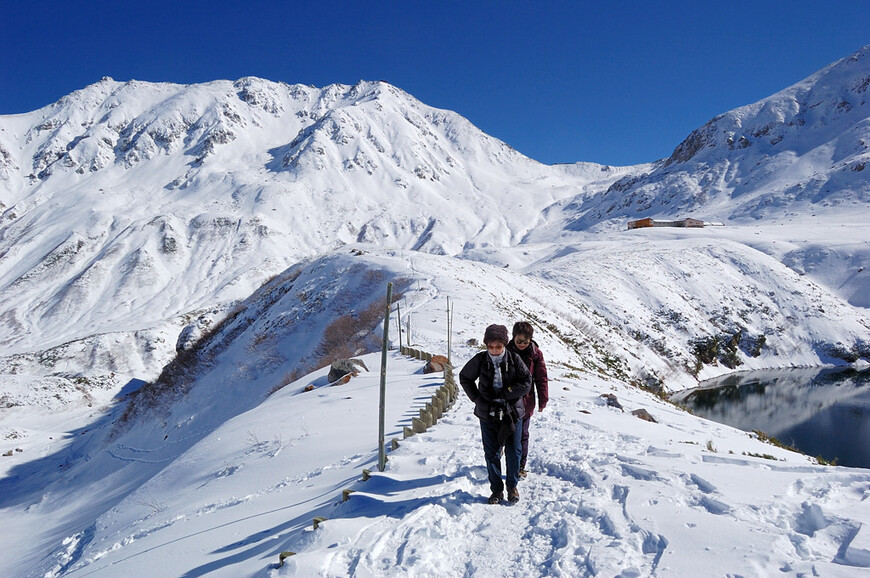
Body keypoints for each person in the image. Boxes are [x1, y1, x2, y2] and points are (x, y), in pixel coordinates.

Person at [459, 324, 532, 504]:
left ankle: (512, 486)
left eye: (498, 346)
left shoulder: (514, 359)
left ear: (504, 344)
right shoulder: (480, 359)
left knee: (514, 451)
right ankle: (496, 490)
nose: (494, 350)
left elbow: (526, 382)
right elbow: (465, 377)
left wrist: (507, 392)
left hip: (512, 413)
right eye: (490, 346)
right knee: (491, 452)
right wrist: (478, 399)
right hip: (488, 414)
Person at [506, 321, 549, 478]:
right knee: (505, 434)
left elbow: (541, 377)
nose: (522, 344)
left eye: (525, 341)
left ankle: (519, 466)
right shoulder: (506, 351)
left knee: (523, 434)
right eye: (519, 341)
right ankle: (505, 461)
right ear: (513, 338)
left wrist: (543, 399)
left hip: (526, 402)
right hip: (507, 401)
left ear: (531, 340)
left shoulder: (536, 354)